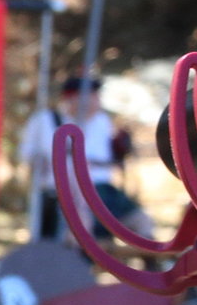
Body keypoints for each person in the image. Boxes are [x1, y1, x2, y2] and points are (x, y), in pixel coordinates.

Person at [20, 73, 156, 241]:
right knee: (81, 222)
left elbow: (106, 156)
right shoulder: (45, 120)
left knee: (141, 220)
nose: (97, 102)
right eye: (92, 97)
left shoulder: (101, 121)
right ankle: (80, 247)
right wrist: (42, 165)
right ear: (73, 99)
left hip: (101, 189)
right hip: (63, 192)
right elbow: (28, 155)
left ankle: (147, 251)